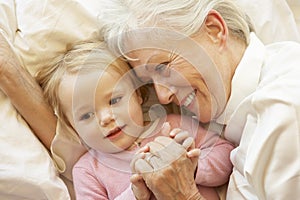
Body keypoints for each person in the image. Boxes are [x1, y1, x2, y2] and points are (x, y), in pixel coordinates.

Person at [101, 0, 300, 199]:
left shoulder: (282, 109)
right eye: (150, 83)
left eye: (162, 67)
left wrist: (183, 193)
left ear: (214, 30)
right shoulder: (243, 111)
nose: (162, 97)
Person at [36, 41, 234, 199]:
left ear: (138, 95)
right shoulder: (88, 171)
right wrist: (136, 193)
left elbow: (227, 154)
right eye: (86, 115)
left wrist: (193, 166)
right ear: (72, 126)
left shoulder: (173, 125)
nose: (106, 118)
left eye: (114, 100)